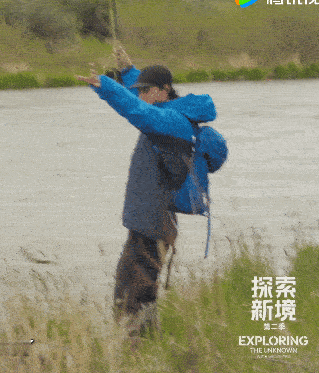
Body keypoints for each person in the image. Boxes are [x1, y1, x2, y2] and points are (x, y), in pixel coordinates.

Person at [77, 47, 217, 336]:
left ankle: (138, 346)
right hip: (152, 218)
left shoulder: (172, 122)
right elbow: (142, 99)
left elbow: (137, 110)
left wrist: (106, 86)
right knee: (135, 285)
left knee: (134, 289)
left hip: (153, 220)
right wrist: (129, 71)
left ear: (163, 91)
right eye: (139, 89)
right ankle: (144, 341)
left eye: (145, 89)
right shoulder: (169, 111)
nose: (139, 94)